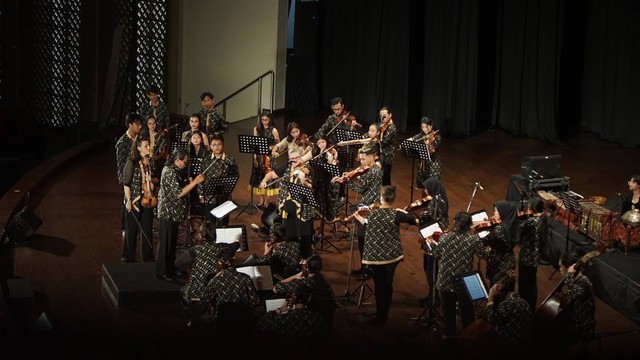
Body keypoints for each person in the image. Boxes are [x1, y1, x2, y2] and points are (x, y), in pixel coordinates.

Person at [353, 185, 419, 326]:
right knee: (388, 285)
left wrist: (359, 219)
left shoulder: (372, 213)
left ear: (381, 198)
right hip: (392, 256)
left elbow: (367, 226)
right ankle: (383, 314)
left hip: (376, 256)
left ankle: (380, 316)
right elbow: (413, 221)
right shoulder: (397, 214)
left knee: (379, 285)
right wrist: (403, 212)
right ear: (392, 199)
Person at [427, 211, 486, 337]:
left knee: (449, 316)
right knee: (467, 315)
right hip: (464, 282)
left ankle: (450, 342)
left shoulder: (445, 237)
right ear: (469, 225)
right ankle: (467, 341)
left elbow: (437, 255)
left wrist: (432, 245)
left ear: (455, 222)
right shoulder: (473, 239)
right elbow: (483, 255)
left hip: (445, 281)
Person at [332, 144, 383, 274]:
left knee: (365, 240)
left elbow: (360, 189)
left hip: (370, 208)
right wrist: (348, 176)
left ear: (372, 158)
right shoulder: (368, 169)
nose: (361, 162)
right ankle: (364, 268)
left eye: (363, 159)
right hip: (364, 205)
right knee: (361, 239)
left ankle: (368, 269)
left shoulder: (374, 171)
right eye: (360, 159)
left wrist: (347, 181)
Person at [155, 147, 205, 281]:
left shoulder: (175, 170)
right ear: (177, 160)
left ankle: (170, 268)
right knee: (165, 243)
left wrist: (186, 183)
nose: (186, 164)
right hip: (168, 212)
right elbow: (178, 193)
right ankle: (162, 271)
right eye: (184, 161)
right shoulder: (170, 172)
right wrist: (194, 183)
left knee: (171, 243)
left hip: (174, 212)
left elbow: (178, 186)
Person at [260, 148, 314, 258]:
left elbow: (313, 187)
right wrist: (264, 181)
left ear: (301, 157)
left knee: (304, 235)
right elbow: (272, 174)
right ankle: (290, 255)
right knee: (289, 233)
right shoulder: (287, 167)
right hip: (288, 207)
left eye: (297, 158)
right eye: (292, 158)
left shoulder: (308, 169)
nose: (295, 160)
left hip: (303, 208)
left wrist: (304, 183)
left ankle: (305, 258)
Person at [177, 237, 240, 328]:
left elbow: (178, 264)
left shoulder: (195, 250)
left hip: (199, 292)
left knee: (183, 291)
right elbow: (236, 244)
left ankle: (190, 318)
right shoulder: (224, 247)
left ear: (202, 237)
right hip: (220, 290)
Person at [273, 254, 337, 328]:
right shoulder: (323, 280)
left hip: (310, 322)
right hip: (325, 321)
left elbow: (276, 288)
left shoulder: (303, 283)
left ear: (307, 269)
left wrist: (294, 276)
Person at [122, 136, 157, 263]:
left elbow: (156, 179)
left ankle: (147, 256)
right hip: (135, 200)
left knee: (147, 229)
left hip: (148, 199)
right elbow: (126, 183)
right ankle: (128, 256)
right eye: (146, 146)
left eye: (149, 145)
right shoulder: (132, 162)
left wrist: (152, 180)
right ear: (138, 148)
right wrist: (128, 200)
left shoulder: (151, 161)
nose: (149, 148)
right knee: (132, 230)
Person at [482, 270, 532, 357]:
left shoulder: (507, 304)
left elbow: (492, 320)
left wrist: (490, 298)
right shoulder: (521, 300)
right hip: (524, 342)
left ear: (498, 287)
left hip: (510, 347)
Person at [417, 177, 450, 306]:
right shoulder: (439, 200)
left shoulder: (436, 203)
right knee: (429, 268)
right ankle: (432, 294)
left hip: (433, 238)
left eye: (426, 187)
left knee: (431, 269)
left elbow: (431, 219)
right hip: (432, 237)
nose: (425, 190)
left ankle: (434, 298)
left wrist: (422, 216)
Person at [198, 134, 238, 228]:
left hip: (224, 197)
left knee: (224, 223)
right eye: (214, 144)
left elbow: (235, 176)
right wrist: (201, 194)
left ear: (223, 145)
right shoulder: (206, 160)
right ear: (210, 146)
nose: (217, 147)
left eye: (219, 144)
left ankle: (222, 242)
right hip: (210, 197)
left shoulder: (230, 160)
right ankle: (211, 241)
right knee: (210, 223)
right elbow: (200, 178)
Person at [557, 251, 596, 348]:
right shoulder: (575, 280)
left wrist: (569, 276)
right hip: (572, 320)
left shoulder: (583, 282)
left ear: (570, 268)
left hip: (581, 326)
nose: (559, 269)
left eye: (561, 267)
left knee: (556, 338)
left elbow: (573, 294)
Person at [115, 112, 143, 247]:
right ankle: (126, 229)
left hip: (140, 178)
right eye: (137, 124)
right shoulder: (122, 143)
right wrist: (125, 182)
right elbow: (121, 166)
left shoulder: (140, 138)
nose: (140, 126)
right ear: (130, 125)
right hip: (129, 178)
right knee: (127, 203)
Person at [517, 196, 547, 311]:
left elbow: (518, 230)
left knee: (523, 285)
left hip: (526, 257)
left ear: (533, 208)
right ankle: (531, 307)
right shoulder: (543, 218)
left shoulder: (530, 222)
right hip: (535, 257)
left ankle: (523, 308)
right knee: (532, 283)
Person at [483, 200, 518, 286]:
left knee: (496, 292)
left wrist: (488, 229)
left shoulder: (499, 230)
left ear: (504, 212)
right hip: (509, 261)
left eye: (497, 211)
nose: (494, 213)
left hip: (499, 265)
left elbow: (485, 241)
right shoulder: (512, 224)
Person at [250, 111, 280, 208]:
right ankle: (261, 199)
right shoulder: (256, 129)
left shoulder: (273, 130)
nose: (264, 122)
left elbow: (278, 144)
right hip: (259, 156)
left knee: (267, 178)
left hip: (269, 157)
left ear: (270, 119)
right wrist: (255, 157)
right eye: (262, 120)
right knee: (259, 176)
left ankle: (267, 200)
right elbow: (255, 144)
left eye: (266, 120)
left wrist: (273, 148)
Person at [310, 134, 341, 223]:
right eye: (319, 143)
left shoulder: (330, 153)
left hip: (329, 182)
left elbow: (334, 172)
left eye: (323, 142)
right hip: (319, 181)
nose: (322, 145)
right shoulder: (315, 152)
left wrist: (331, 162)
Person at [409, 116, 442, 186]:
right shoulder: (422, 135)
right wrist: (404, 143)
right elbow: (412, 138)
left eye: (426, 127)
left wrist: (429, 143)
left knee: (432, 185)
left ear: (431, 125)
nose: (424, 129)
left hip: (433, 163)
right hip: (423, 163)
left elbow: (431, 151)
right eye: (423, 127)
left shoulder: (437, 137)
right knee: (421, 184)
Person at [377, 107, 397, 186]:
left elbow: (384, 142)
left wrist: (372, 139)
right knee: (382, 177)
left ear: (390, 115)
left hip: (387, 156)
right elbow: (374, 130)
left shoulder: (392, 128)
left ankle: (388, 195)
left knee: (385, 178)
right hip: (381, 154)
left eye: (384, 115)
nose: (382, 117)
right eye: (381, 115)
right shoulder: (382, 124)